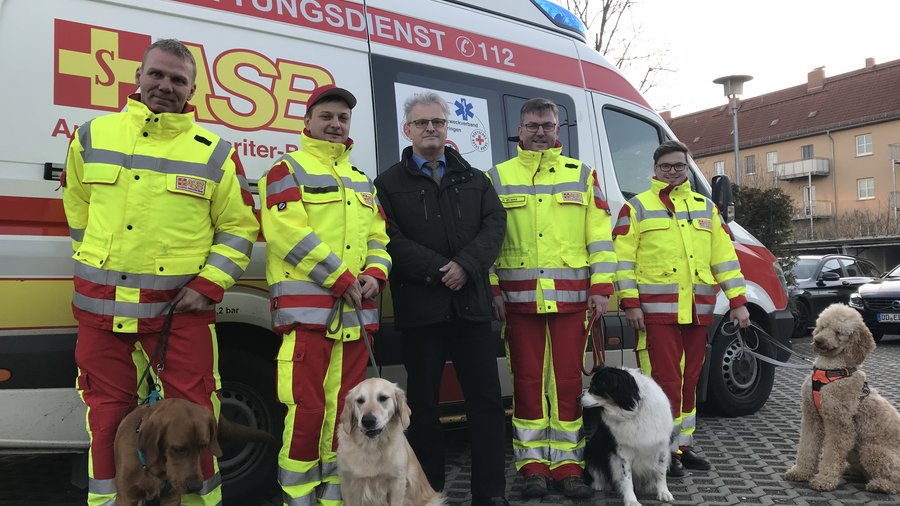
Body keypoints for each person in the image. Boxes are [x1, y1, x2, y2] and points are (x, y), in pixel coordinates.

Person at [62, 39, 259, 506]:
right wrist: (95, 260)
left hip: (179, 312)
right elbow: (77, 206)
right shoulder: (92, 135)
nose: (166, 86)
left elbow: (239, 226)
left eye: (178, 80)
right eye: (158, 75)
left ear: (192, 90)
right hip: (101, 309)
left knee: (196, 416)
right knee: (107, 416)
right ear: (138, 76)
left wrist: (209, 285)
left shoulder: (214, 151)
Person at [374, 92, 509, 506]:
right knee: (422, 412)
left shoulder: (474, 178)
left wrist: (465, 265)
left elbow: (495, 225)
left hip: (471, 309)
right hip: (422, 312)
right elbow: (389, 237)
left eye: (437, 122)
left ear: (447, 128)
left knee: (486, 407)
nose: (430, 128)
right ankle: (426, 495)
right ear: (407, 130)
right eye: (421, 123)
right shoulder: (388, 183)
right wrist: (439, 269)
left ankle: (490, 497)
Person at [258, 84, 390, 505]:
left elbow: (379, 237)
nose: (335, 124)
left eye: (342, 118)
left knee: (349, 415)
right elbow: (287, 235)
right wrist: (342, 279)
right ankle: (298, 497)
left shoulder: (361, 181)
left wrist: (374, 273)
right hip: (307, 321)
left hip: (354, 320)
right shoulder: (285, 170)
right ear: (307, 121)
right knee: (307, 413)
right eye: (326, 116)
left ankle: (337, 496)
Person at [487, 98, 616, 499]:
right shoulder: (498, 177)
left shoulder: (583, 176)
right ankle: (532, 468)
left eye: (547, 125)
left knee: (566, 383)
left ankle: (567, 467)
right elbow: (487, 240)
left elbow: (600, 237)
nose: (540, 132)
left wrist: (600, 289)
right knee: (526, 383)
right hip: (519, 302)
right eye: (532, 125)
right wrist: (492, 287)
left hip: (571, 301)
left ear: (558, 130)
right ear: (519, 131)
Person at [612, 139, 750, 477]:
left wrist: (738, 301)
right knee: (663, 384)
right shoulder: (636, 207)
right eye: (666, 166)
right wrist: (630, 304)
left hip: (697, 311)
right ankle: (660, 450)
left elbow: (724, 258)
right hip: (656, 315)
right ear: (655, 170)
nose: (673, 171)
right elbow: (621, 262)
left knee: (689, 382)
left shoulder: (706, 208)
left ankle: (680, 447)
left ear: (687, 168)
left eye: (679, 166)